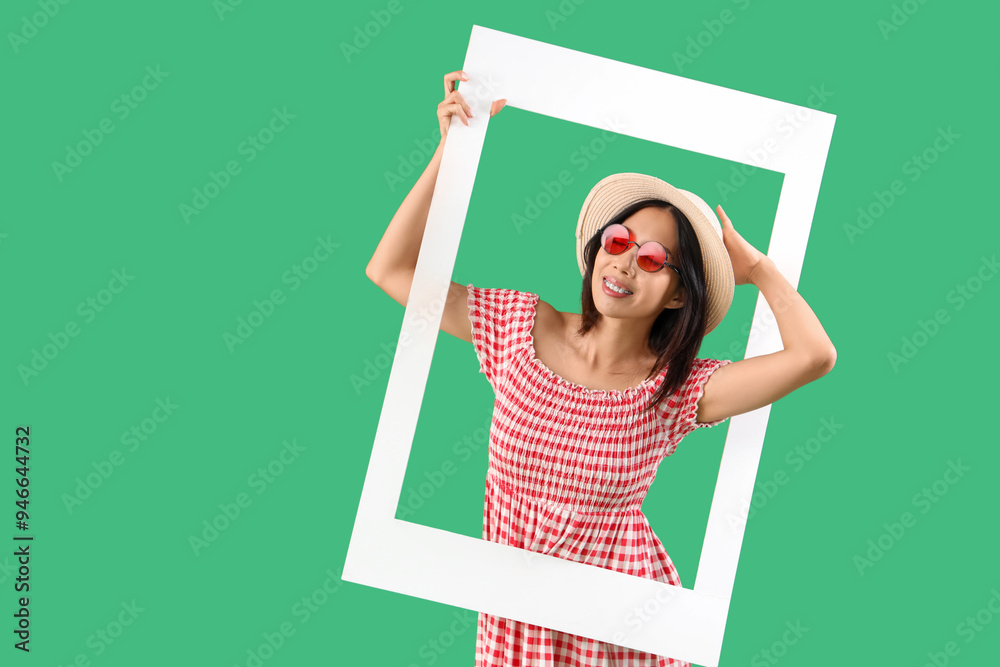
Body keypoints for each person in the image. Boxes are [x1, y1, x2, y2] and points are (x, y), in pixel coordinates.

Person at [366, 70, 836, 667]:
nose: (625, 265)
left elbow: (813, 356)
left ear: (676, 295)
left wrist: (760, 268)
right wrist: (450, 150)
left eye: (653, 259)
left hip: (623, 630)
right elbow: (392, 271)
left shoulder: (674, 388)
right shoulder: (517, 325)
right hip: (516, 625)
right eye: (619, 241)